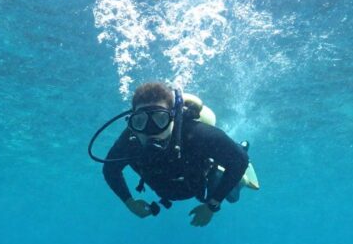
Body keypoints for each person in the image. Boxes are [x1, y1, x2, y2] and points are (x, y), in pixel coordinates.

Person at [95, 82, 250, 227]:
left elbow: (240, 160)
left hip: (202, 179)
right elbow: (110, 169)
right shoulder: (130, 140)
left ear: (173, 118)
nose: (151, 130)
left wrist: (212, 205)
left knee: (231, 194)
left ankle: (237, 152)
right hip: (167, 189)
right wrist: (130, 203)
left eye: (160, 119)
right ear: (132, 123)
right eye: (140, 121)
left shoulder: (196, 133)